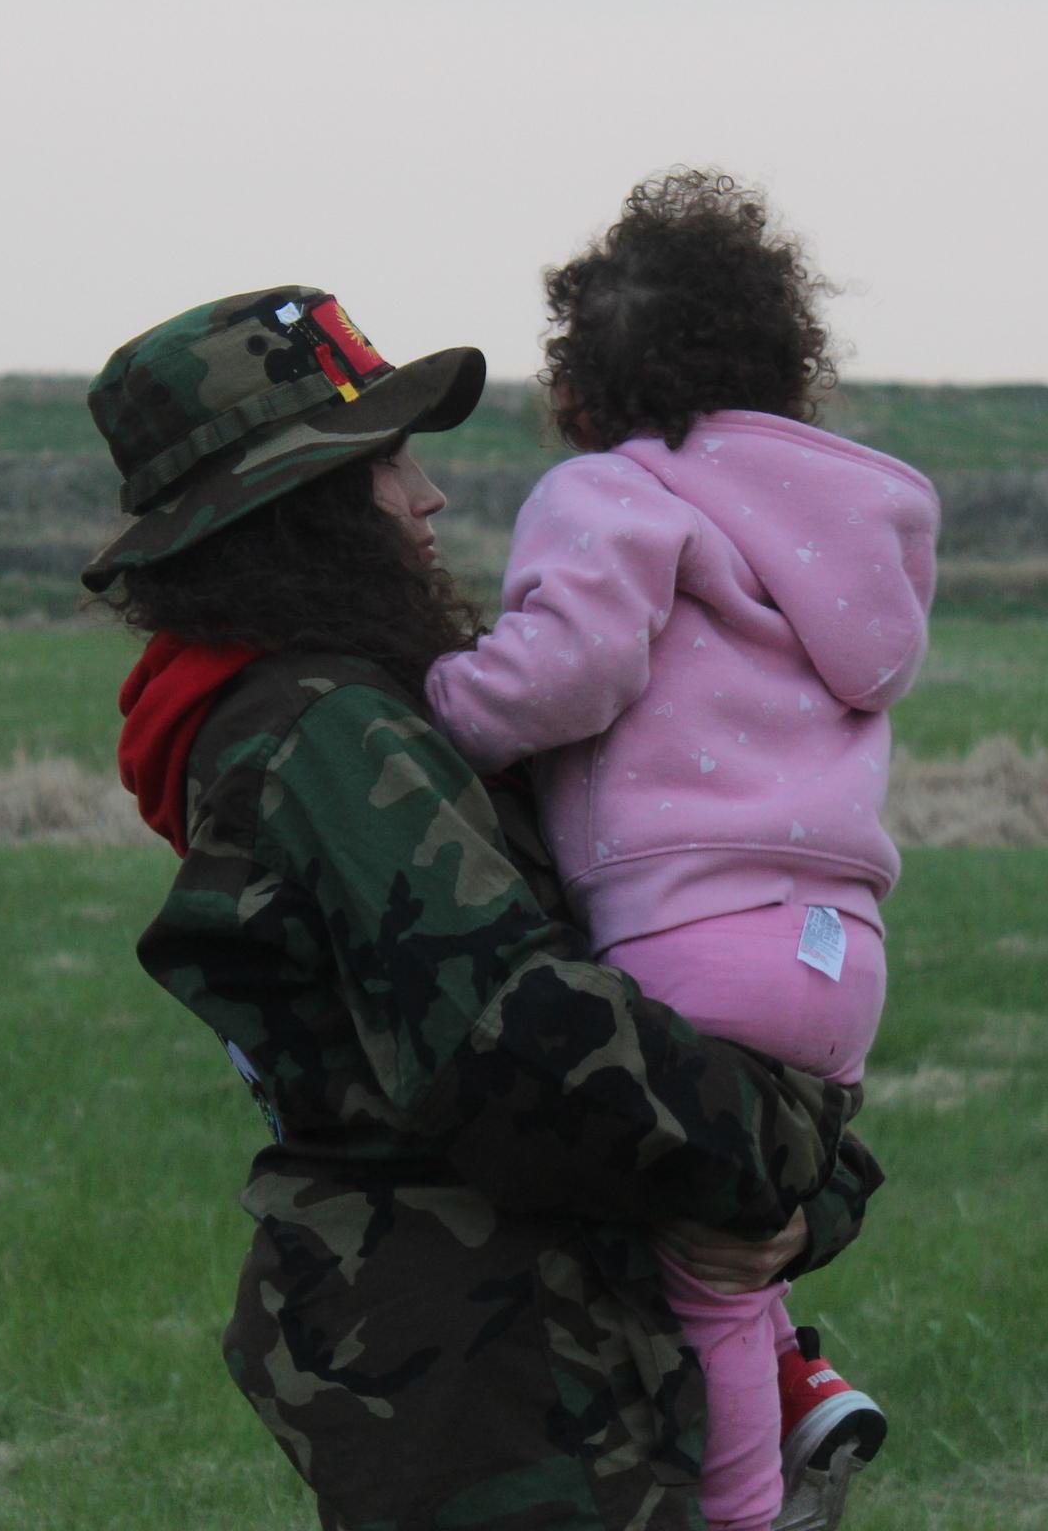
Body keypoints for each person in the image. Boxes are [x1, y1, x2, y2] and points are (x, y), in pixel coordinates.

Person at [80, 284, 884, 1531]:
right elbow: (532, 1048)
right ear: (289, 516)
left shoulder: (353, 712)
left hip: (553, 1360)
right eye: (383, 466)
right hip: (506, 1397)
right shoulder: (327, 737)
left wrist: (803, 1190)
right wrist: (800, 1163)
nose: (425, 497)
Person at [425, 173, 939, 1531]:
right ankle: (806, 1387)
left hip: (688, 936)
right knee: (742, 1203)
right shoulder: (844, 525)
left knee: (697, 1270)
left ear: (584, 379)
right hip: (839, 963)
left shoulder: (613, 490)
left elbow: (572, 667)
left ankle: (742, 1511)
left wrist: (446, 706)